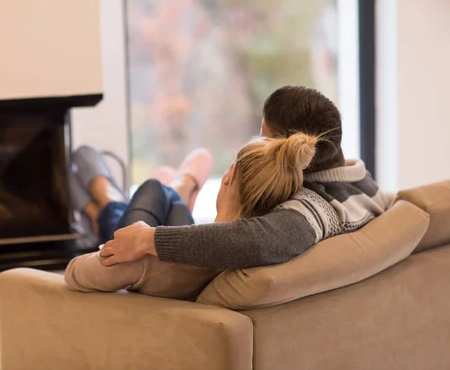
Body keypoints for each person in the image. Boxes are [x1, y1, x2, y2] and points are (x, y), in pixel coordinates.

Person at [98, 85, 388, 269]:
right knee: (165, 197)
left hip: (179, 287)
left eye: (264, 140)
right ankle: (174, 187)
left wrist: (148, 239)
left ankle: (134, 192)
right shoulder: (366, 186)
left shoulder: (313, 210)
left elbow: (258, 242)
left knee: (154, 190)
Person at [65, 132, 320, 300]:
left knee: (149, 186)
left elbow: (74, 273)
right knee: (168, 198)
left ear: (229, 175)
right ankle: (176, 188)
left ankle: (112, 202)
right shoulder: (260, 253)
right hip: (182, 279)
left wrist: (138, 239)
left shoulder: (152, 261)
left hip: (146, 289)